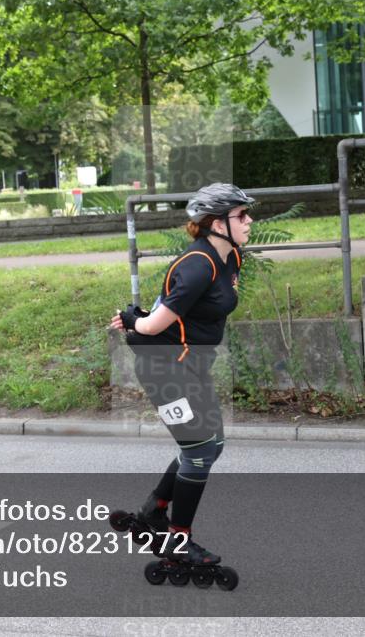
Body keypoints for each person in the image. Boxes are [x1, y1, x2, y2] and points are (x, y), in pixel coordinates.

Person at [109, 182, 254, 566]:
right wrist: (132, 321)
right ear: (215, 223)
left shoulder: (231, 258)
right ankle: (178, 539)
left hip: (191, 366)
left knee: (212, 445)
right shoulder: (195, 265)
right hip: (163, 369)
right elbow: (155, 324)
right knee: (200, 451)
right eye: (241, 215)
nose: (249, 220)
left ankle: (153, 510)